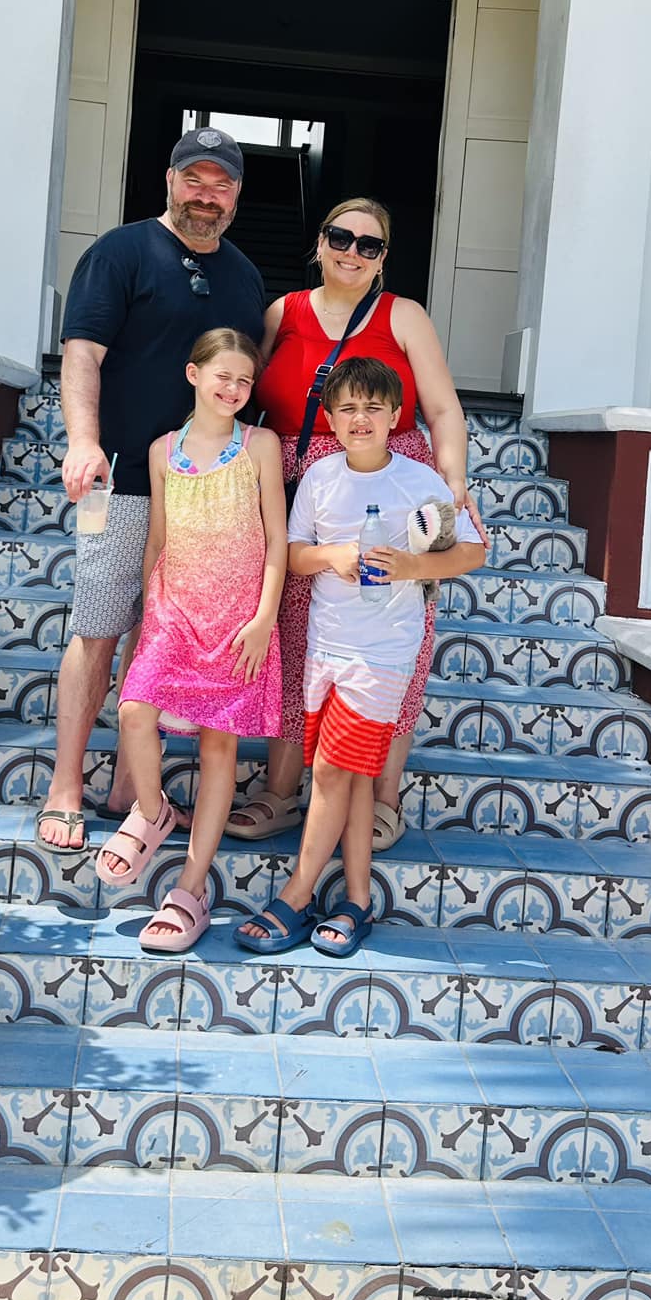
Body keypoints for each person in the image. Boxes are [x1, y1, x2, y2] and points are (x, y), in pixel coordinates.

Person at [39, 129, 266, 852]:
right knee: (101, 623)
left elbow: (241, 379)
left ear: (236, 195)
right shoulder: (121, 252)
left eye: (221, 184)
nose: (207, 196)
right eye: (194, 181)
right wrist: (82, 441)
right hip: (123, 478)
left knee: (164, 632)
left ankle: (132, 784)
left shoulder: (244, 277)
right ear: (170, 181)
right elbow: (83, 355)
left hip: (209, 494)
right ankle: (67, 785)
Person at [228, 197, 478, 854]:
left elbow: (444, 411)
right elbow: (238, 390)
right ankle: (280, 791)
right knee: (292, 637)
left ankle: (381, 800)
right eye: (342, 237)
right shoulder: (284, 312)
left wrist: (452, 485)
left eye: (370, 244)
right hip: (295, 492)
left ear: (384, 260)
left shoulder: (405, 317)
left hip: (391, 490)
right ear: (320, 241)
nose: (353, 252)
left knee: (393, 641)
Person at [236, 357, 485, 958]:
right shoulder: (320, 477)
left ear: (397, 416)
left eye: (375, 407)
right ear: (330, 417)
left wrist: (413, 567)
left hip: (383, 654)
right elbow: (295, 554)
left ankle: (295, 896)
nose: (361, 418)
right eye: (348, 408)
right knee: (346, 780)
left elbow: (473, 552)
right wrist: (334, 556)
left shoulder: (420, 481)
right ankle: (355, 900)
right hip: (325, 648)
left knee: (328, 773)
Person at [92, 329, 286, 951]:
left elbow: (278, 542)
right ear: (193, 374)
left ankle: (192, 886)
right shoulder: (161, 451)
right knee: (133, 709)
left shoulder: (260, 446)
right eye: (222, 376)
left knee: (219, 752)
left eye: (245, 381)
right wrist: (151, 612)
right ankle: (153, 812)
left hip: (238, 621)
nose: (233, 389)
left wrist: (262, 620)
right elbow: (158, 540)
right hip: (175, 611)